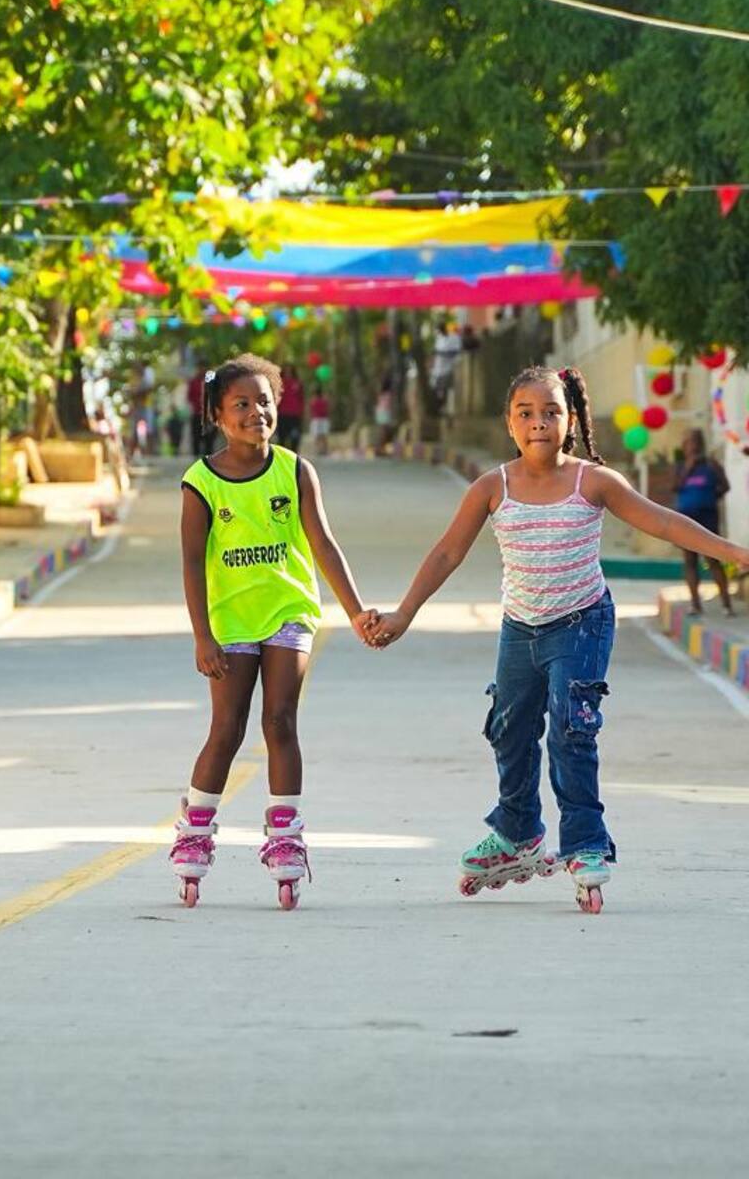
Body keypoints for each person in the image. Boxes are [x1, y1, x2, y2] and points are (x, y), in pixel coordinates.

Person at [366, 366, 749, 914]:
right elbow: (448, 552)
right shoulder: (492, 487)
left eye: (551, 412)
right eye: (526, 413)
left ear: (570, 421)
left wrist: (734, 554)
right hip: (520, 628)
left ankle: (586, 845)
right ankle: (516, 833)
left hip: (582, 622)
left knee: (572, 730)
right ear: (509, 423)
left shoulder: (592, 481)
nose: (538, 422)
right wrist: (405, 612)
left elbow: (662, 522)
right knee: (508, 728)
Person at [172, 353, 379, 910]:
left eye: (264, 402)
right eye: (241, 404)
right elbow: (192, 563)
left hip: (289, 611)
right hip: (230, 621)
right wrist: (202, 636)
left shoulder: (294, 470)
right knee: (228, 727)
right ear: (218, 414)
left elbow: (322, 542)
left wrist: (356, 609)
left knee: (280, 720)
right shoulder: (201, 483)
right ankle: (195, 825)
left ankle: (285, 838)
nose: (255, 413)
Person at [674, 428, 734, 616]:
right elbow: (675, 487)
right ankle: (695, 604)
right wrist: (689, 468)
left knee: (713, 559)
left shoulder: (712, 465)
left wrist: (711, 498)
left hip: (707, 517)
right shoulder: (682, 467)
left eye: (694, 442)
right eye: (688, 442)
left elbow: (725, 486)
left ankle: (727, 604)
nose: (691, 446)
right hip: (686, 519)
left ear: (701, 444)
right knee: (690, 560)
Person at [276, 363, 305, 451]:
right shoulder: (279, 383)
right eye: (286, 370)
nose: (288, 372)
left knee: (295, 438)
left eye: (290, 370)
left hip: (294, 415)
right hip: (282, 414)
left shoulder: (298, 382)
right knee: (282, 438)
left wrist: (301, 411)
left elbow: (301, 398)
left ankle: (294, 456)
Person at [308, 387, 331, 456]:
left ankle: (317, 450)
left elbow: (311, 410)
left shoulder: (313, 401)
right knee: (324, 436)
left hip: (316, 419)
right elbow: (328, 409)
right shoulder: (325, 401)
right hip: (324, 419)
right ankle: (324, 450)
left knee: (317, 436)